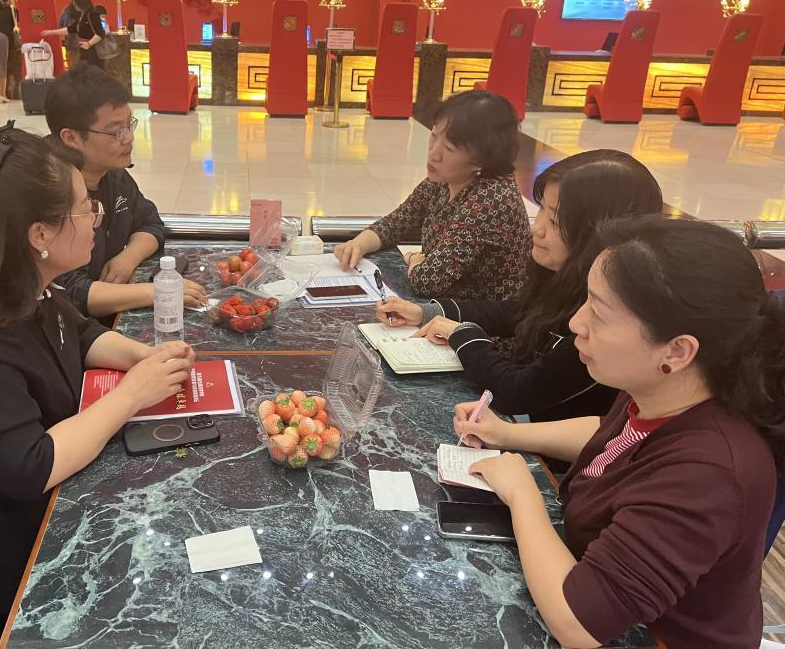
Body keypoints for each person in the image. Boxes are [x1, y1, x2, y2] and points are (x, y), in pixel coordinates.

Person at [0, 124, 196, 629]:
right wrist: (133, 395)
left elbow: (82, 334)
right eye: (85, 209)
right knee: (161, 569)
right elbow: (29, 466)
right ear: (40, 234)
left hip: (21, 506)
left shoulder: (23, 281)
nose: (96, 219)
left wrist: (145, 358)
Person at [455, 216, 783, 648]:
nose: (576, 323)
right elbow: (613, 437)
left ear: (677, 350)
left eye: (599, 312)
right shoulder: (662, 392)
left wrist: (522, 494)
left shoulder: (710, 473)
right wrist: (507, 435)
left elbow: (578, 624)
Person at [379, 150, 664, 424]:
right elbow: (521, 311)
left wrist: (462, 334)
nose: (536, 229)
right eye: (541, 211)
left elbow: (517, 392)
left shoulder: (606, 318)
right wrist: (428, 313)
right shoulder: (566, 279)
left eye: (555, 221)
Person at [333, 90, 531, 301]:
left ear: (482, 159)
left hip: (479, 315)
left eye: (449, 148)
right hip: (442, 305)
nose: (434, 153)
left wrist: (415, 260)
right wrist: (359, 244)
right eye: (434, 136)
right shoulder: (446, 178)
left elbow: (427, 281)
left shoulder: (491, 201)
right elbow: (396, 223)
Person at [45, 64, 207, 317]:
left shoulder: (111, 173)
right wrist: (159, 292)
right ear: (71, 138)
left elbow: (151, 223)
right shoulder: (47, 190)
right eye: (115, 131)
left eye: (129, 125)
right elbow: (67, 292)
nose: (129, 137)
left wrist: (127, 258)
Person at [42, 0, 105, 69]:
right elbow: (71, 29)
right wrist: (51, 32)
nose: (73, 4)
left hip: (93, 53)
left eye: (74, 1)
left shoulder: (92, 14)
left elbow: (100, 33)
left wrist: (89, 44)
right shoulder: (82, 15)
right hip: (84, 52)